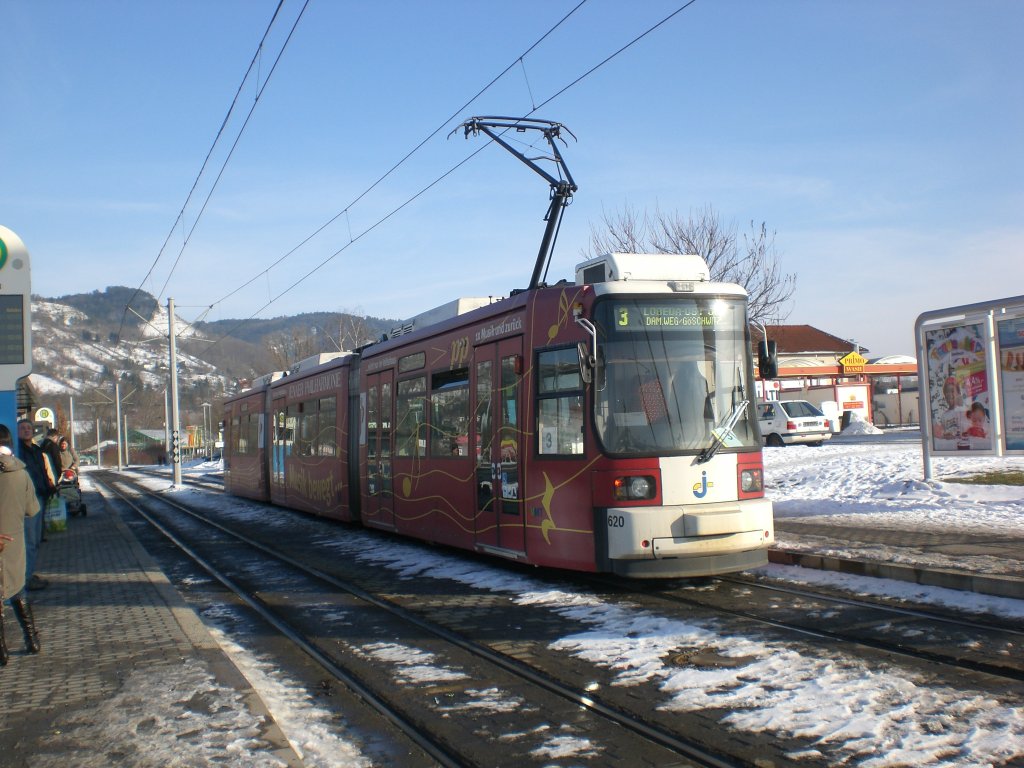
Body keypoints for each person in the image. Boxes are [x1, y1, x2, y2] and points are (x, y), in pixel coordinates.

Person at [1, 423, 43, 665]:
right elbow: (32, 509)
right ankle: (31, 640)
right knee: (17, 589)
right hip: (14, 542)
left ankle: (2, 651)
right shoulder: (22, 474)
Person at [17, 420, 53, 591]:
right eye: (23, 428)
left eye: (29, 428)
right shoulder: (18, 451)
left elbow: (42, 472)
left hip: (40, 496)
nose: (26, 431)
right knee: (30, 541)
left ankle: (28, 573)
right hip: (27, 499)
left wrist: (49, 488)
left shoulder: (36, 450)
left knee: (36, 539)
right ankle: (25, 579)